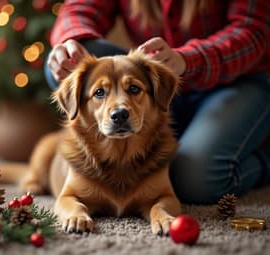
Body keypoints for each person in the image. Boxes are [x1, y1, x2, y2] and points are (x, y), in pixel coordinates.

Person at [44, 0, 270, 204]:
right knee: (64, 63)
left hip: (238, 83)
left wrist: (187, 59)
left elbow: (253, 30)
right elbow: (79, 9)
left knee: (195, 181)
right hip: (157, 90)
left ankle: (263, 160)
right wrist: (69, 40)